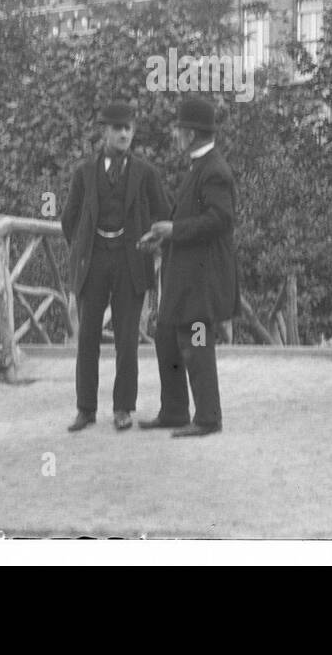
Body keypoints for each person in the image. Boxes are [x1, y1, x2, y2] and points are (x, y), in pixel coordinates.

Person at [61, 100, 169, 432]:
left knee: (126, 338)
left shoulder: (145, 172)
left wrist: (152, 241)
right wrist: (83, 250)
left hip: (130, 259)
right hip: (94, 260)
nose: (123, 134)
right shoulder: (83, 172)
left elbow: (164, 214)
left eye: (128, 128)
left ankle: (123, 408)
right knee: (88, 337)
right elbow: (69, 220)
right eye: (117, 128)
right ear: (104, 131)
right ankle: (85, 408)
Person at [137, 95, 239, 437]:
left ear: (192, 134)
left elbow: (220, 220)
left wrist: (174, 230)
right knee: (166, 335)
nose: (175, 134)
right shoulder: (201, 166)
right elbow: (197, 219)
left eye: (179, 129)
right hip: (186, 275)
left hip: (202, 279)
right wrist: (163, 237)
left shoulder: (214, 170)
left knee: (196, 344)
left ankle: (208, 418)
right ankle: (175, 411)